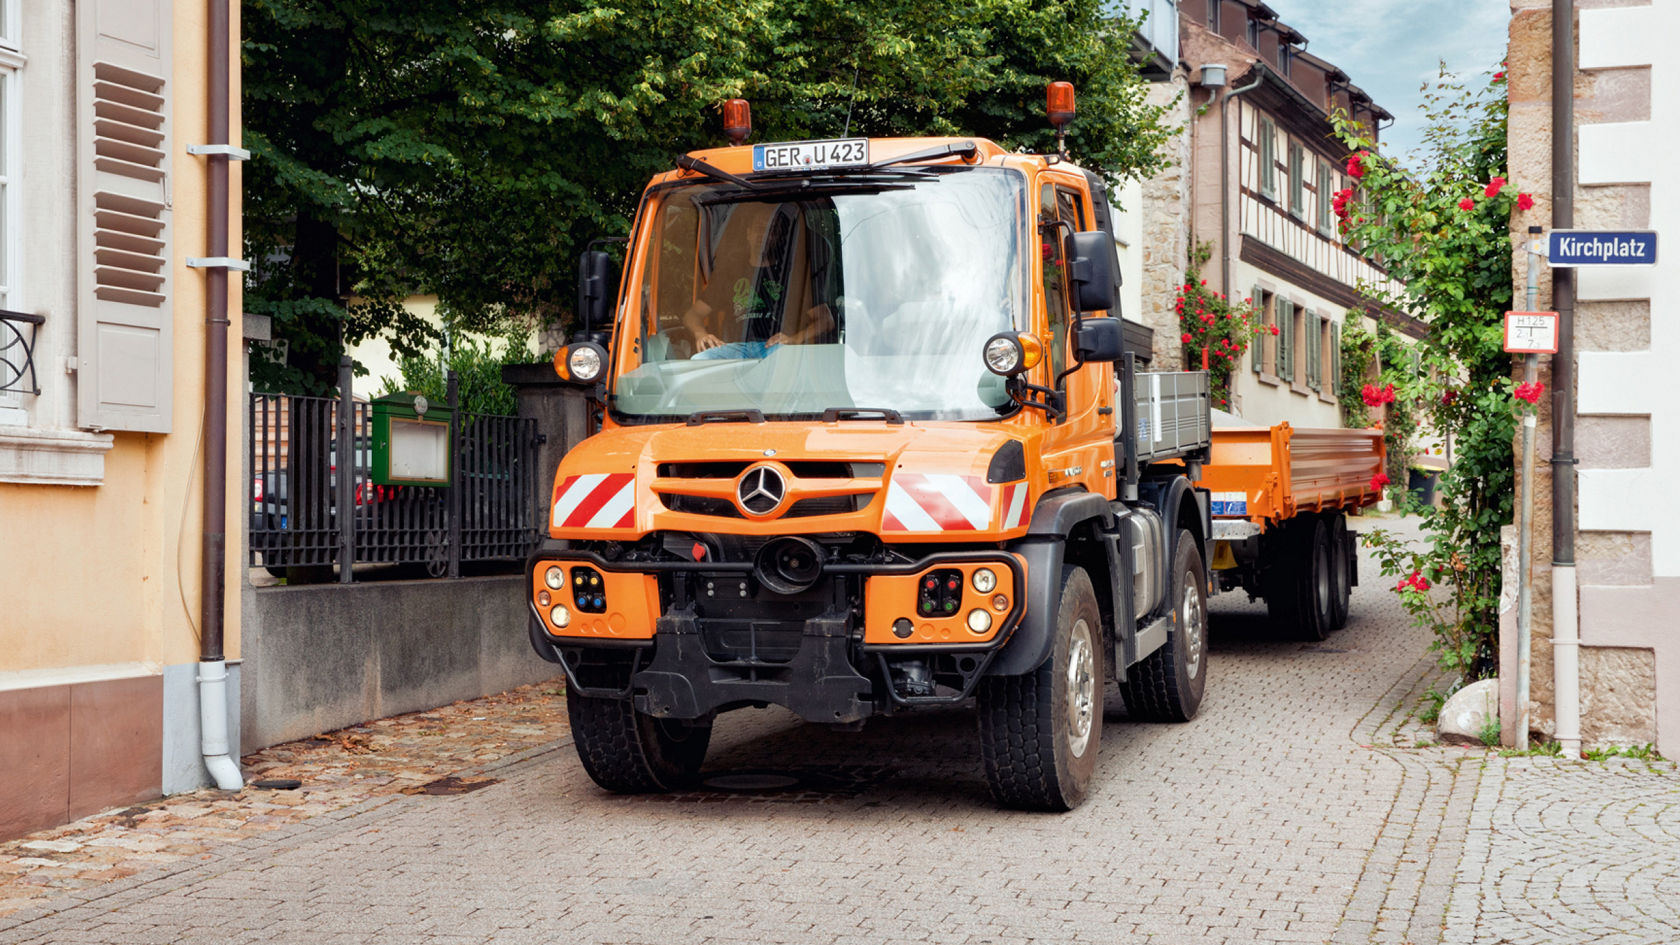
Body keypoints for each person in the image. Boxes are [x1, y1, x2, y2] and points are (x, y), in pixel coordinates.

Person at [683, 205, 833, 359]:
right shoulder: (730, 274)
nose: (763, 234)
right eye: (759, 228)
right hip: (737, 350)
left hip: (776, 348)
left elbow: (826, 320)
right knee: (700, 359)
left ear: (777, 237)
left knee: (782, 360)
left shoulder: (791, 276)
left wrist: (795, 339)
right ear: (748, 233)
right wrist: (700, 334)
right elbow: (692, 315)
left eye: (770, 229)